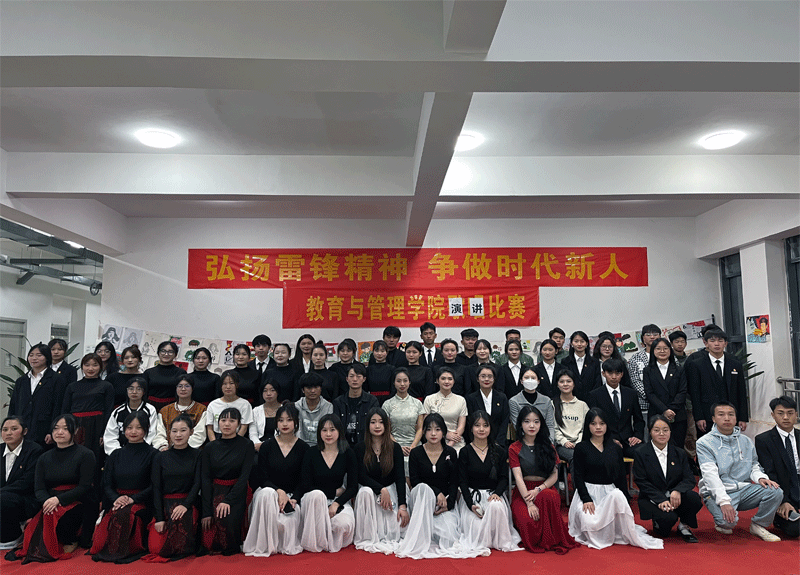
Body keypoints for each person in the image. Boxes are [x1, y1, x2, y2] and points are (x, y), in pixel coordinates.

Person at [568, 408, 663, 550]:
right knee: (589, 522)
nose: (598, 427)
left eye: (602, 423)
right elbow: (578, 476)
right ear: (588, 425)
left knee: (618, 496)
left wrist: (625, 500)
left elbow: (620, 477)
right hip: (588, 493)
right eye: (594, 423)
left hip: (609, 493)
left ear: (607, 425)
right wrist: (586, 499)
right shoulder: (581, 447)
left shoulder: (615, 448)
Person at [10, 415, 96, 562]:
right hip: (50, 500)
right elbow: (39, 488)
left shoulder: (86, 454)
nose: (59, 432)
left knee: (61, 515)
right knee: (43, 517)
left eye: (65, 428)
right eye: (56, 428)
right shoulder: (44, 457)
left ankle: (71, 539)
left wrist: (59, 500)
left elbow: (85, 486)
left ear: (75, 431)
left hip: (78, 499)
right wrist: (47, 501)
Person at [698, 402, 783, 541]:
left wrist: (760, 477)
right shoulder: (704, 443)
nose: (727, 418)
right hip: (718, 491)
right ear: (713, 418)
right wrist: (724, 501)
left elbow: (754, 464)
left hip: (743, 489)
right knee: (727, 523)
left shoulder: (746, 441)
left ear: (736, 417)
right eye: (721, 415)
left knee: (775, 491)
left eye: (731, 414)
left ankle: (758, 525)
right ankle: (720, 517)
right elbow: (710, 475)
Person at [397, 413, 477, 559]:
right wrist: (435, 492)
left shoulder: (451, 453)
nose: (433, 433)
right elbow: (415, 481)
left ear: (444, 432)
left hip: (443, 503)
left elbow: (454, 482)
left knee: (448, 536)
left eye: (437, 429)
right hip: (421, 501)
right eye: (429, 429)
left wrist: (449, 504)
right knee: (423, 488)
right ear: (423, 432)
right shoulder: (416, 453)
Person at [91, 411, 157, 562]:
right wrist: (117, 498)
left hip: (142, 502)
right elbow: (107, 484)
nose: (133, 432)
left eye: (138, 428)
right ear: (124, 430)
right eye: (129, 427)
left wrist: (133, 499)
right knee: (98, 545)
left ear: (146, 430)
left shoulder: (154, 454)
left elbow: (154, 485)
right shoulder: (115, 454)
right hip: (117, 501)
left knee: (125, 514)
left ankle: (126, 550)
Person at [509, 406, 577, 554]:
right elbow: (518, 477)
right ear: (520, 424)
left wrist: (539, 489)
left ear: (541, 424)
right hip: (524, 492)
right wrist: (529, 503)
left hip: (544, 489)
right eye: (527, 421)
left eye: (536, 421)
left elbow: (554, 475)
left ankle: (550, 539)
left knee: (549, 495)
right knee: (528, 523)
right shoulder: (514, 447)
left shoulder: (549, 446)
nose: (532, 425)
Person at [244, 404, 309, 557]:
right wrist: (279, 492)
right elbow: (262, 478)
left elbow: (304, 480)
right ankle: (264, 545)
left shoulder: (304, 448)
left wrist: (294, 498)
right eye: (280, 420)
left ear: (296, 422)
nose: (285, 424)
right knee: (266, 494)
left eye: (289, 420)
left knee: (286, 522)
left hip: (292, 496)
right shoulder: (267, 446)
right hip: (269, 492)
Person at [458, 410, 522, 554]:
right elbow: (462, 481)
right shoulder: (465, 452)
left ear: (490, 428)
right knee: (477, 534)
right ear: (471, 428)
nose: (481, 429)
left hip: (493, 495)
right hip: (472, 498)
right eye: (477, 425)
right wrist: (470, 504)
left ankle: (500, 541)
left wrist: (497, 494)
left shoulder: (499, 451)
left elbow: (504, 478)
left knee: (496, 507)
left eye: (485, 425)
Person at [632, 415, 702, 542]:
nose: (661, 434)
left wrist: (677, 490)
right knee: (666, 526)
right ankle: (658, 522)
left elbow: (689, 479)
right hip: (653, 498)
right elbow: (641, 481)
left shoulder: (679, 453)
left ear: (670, 431)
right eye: (657, 430)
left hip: (675, 497)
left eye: (665, 430)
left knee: (694, 498)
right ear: (649, 431)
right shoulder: (641, 453)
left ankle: (684, 525)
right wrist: (660, 499)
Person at [295, 414, 358, 553]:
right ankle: (315, 541)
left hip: (337, 501)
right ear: (319, 432)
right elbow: (306, 484)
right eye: (324, 430)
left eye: (332, 430)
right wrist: (332, 492)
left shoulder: (348, 453)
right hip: (313, 500)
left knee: (342, 525)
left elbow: (353, 487)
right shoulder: (311, 453)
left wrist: (336, 503)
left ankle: (327, 537)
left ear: (339, 431)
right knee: (317, 495)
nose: (328, 434)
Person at [144, 414, 202, 562]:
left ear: (191, 432)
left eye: (183, 430)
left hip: (188, 503)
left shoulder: (197, 455)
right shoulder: (160, 457)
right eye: (174, 431)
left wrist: (186, 505)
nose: (178, 435)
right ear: (169, 433)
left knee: (181, 536)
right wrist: (159, 518)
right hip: (165, 503)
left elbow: (197, 484)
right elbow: (156, 488)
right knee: (156, 549)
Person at [353, 408, 409, 553]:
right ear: (367, 425)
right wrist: (381, 490)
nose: (377, 426)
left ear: (386, 425)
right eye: (373, 422)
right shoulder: (359, 448)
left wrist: (402, 506)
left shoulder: (395, 448)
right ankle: (367, 535)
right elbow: (361, 476)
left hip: (391, 492)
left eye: (381, 422)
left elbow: (400, 477)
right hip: (370, 493)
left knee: (397, 531)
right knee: (365, 491)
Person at [201, 407, 255, 555]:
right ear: (217, 423)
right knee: (207, 534)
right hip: (216, 490)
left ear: (238, 424)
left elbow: (244, 477)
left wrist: (228, 501)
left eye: (232, 420)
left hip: (238, 491)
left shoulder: (246, 445)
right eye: (223, 420)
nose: (227, 424)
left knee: (227, 522)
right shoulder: (210, 447)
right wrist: (206, 511)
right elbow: (205, 479)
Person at [61, 352, 114, 487]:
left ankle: (92, 490)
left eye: (95, 365)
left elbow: (108, 411)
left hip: (96, 425)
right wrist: (66, 429)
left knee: (94, 459)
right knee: (73, 457)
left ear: (100, 367)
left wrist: (104, 433)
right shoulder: (72, 386)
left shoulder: (106, 386)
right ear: (82, 367)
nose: (90, 368)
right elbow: (65, 410)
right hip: (75, 425)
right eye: (87, 365)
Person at [686, 329, 749, 435]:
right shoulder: (696, 365)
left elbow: (741, 391)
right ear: (705, 343)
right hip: (707, 416)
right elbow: (695, 394)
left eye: (720, 341)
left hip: (731, 414)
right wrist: (699, 417)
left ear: (725, 343)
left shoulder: (735, 364)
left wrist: (743, 417)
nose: (716, 344)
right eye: (712, 341)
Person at [755, 396, 800, 539]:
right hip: (783, 488)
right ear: (773, 415)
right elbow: (770, 474)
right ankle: (779, 517)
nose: (786, 417)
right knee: (795, 529)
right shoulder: (763, 440)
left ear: (796, 414)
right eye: (780, 413)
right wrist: (783, 500)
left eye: (790, 413)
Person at [0, 416, 43, 549]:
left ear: (24, 431)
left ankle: (13, 536)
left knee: (3, 498)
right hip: (4, 496)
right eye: (5, 430)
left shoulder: (34, 450)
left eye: (14, 429)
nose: (9, 433)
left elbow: (27, 482)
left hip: (26, 498)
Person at [587, 358, 644, 458]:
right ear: (603, 374)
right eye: (610, 373)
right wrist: (608, 439)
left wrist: (637, 436)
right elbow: (594, 423)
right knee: (612, 454)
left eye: (617, 373)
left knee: (645, 452)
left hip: (629, 441)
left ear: (622, 374)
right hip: (606, 440)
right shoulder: (595, 395)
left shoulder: (631, 394)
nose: (614, 377)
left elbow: (638, 419)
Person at [8, 343, 62, 446]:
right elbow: (13, 405)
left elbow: (57, 407)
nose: (34, 358)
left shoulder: (56, 379)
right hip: (22, 427)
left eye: (39, 355)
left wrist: (52, 430)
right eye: (31, 355)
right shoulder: (21, 381)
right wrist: (11, 427)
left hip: (43, 429)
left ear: (47, 357)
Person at [643, 337, 688, 448]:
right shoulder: (648, 370)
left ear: (670, 350)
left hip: (677, 414)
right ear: (653, 351)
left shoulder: (679, 369)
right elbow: (649, 393)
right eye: (658, 348)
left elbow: (682, 391)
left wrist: (671, 410)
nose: (662, 351)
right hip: (656, 413)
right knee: (657, 447)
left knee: (678, 447)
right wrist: (664, 410)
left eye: (665, 348)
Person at [383, 367, 425, 476]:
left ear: (409, 382)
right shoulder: (387, 404)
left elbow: (420, 429)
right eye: (398, 381)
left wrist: (413, 447)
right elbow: (387, 430)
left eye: (405, 381)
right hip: (394, 445)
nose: (402, 384)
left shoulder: (417, 403)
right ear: (394, 383)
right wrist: (398, 447)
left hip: (414, 445)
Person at [103, 376, 161, 454]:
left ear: (144, 392)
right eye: (131, 389)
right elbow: (110, 435)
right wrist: (118, 453)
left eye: (139, 389)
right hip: (120, 452)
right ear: (126, 391)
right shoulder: (118, 411)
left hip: (143, 452)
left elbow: (151, 433)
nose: (134, 392)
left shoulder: (150, 410)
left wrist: (141, 451)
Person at [154, 375, 207, 450]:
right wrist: (163, 447)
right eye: (180, 386)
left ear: (192, 388)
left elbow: (199, 434)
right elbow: (159, 433)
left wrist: (181, 446)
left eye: (187, 386)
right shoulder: (165, 411)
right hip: (167, 451)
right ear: (176, 389)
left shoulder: (201, 409)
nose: (183, 389)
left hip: (191, 451)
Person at [332, 363, 379, 447]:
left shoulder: (372, 401)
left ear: (364, 379)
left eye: (358, 376)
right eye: (351, 376)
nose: (355, 379)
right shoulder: (338, 402)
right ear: (347, 379)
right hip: (343, 447)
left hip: (365, 446)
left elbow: (375, 425)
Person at [423, 367, 468, 452]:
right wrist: (445, 435)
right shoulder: (429, 399)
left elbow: (461, 427)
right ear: (437, 381)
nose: (446, 382)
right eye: (443, 378)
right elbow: (426, 424)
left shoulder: (461, 400)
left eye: (450, 379)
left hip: (456, 441)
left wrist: (450, 445)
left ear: (454, 381)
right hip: (434, 439)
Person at [466, 364, 510, 448]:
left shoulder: (502, 398)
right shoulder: (470, 399)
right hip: (477, 443)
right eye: (483, 376)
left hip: (498, 443)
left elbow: (504, 422)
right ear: (477, 379)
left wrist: (498, 443)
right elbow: (470, 423)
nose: (486, 379)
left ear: (494, 379)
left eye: (490, 376)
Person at [508, 366, 556, 444]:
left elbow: (550, 425)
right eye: (526, 378)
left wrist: (549, 442)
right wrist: (530, 443)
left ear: (538, 381)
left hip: (545, 441)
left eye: (533, 378)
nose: (530, 380)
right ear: (521, 381)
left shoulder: (546, 401)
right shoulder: (514, 401)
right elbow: (517, 426)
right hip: (524, 442)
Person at [552, 369, 590, 469]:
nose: (565, 384)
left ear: (574, 384)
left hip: (580, 443)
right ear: (557, 385)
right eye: (561, 381)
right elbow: (553, 428)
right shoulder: (552, 405)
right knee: (575, 456)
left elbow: (586, 428)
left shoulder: (582, 405)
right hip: (561, 446)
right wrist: (564, 441)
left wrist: (578, 442)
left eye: (568, 381)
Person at [205, 370, 253, 441]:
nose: (228, 387)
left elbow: (244, 427)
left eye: (231, 383)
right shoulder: (213, 404)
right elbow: (210, 429)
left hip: (237, 439)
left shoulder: (245, 404)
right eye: (224, 384)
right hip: (217, 438)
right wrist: (215, 444)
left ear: (237, 385)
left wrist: (234, 443)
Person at [628, 323, 661, 421]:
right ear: (643, 338)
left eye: (655, 334)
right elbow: (635, 381)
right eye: (648, 334)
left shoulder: (668, 355)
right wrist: (651, 397)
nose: (652, 337)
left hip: (667, 404)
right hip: (645, 404)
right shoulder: (635, 358)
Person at [143, 341, 187, 412]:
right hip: (150, 408)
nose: (166, 354)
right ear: (158, 353)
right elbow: (143, 393)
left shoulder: (181, 372)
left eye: (170, 352)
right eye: (163, 351)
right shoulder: (148, 372)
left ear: (175, 354)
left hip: (172, 408)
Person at [560, 331, 601, 401]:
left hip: (591, 399)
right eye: (576, 341)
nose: (579, 344)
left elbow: (597, 382)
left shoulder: (594, 362)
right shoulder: (565, 362)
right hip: (571, 399)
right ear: (571, 344)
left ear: (587, 343)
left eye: (582, 341)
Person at [295, 372, 333, 446]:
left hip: (322, 446)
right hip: (300, 446)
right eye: (309, 388)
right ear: (303, 390)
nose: (313, 391)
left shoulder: (328, 407)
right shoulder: (296, 406)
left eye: (316, 387)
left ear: (321, 388)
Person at [249, 380, 281, 450]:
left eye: (272, 390)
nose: (268, 394)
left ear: (277, 392)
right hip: (259, 447)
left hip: (280, 447)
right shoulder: (256, 411)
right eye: (265, 391)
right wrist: (260, 445)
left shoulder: (284, 410)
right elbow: (253, 433)